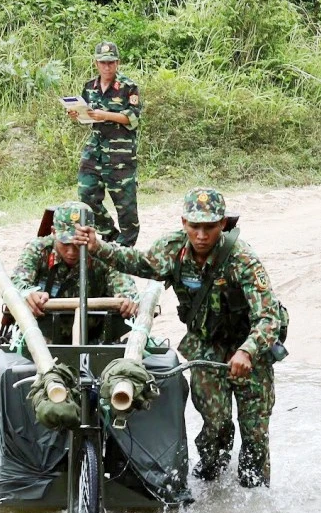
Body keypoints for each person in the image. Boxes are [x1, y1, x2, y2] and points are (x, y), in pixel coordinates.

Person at [74, 188, 285, 488]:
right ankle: (212, 478)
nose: (201, 235)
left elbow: (268, 317)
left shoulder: (243, 260)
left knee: (254, 430)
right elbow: (139, 262)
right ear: (184, 223)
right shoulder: (173, 250)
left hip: (251, 350)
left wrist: (248, 352)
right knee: (216, 422)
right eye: (195, 226)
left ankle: (254, 496)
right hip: (205, 346)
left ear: (223, 224)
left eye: (209, 227)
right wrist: (97, 247)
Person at [10, 201, 139, 344]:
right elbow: (17, 282)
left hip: (96, 337)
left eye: (78, 245)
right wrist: (28, 294)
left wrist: (128, 299)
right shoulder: (38, 250)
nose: (71, 252)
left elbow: (125, 284)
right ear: (53, 232)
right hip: (43, 335)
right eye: (65, 244)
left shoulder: (103, 253)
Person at [71, 40, 142, 247]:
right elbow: (87, 115)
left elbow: (133, 118)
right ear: (96, 64)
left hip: (120, 151)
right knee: (86, 193)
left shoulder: (128, 87)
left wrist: (106, 115)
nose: (107, 66)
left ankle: (126, 245)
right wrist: (77, 114)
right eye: (103, 63)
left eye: (111, 62)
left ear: (117, 63)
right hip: (96, 147)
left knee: (125, 203)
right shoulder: (89, 87)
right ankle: (109, 233)